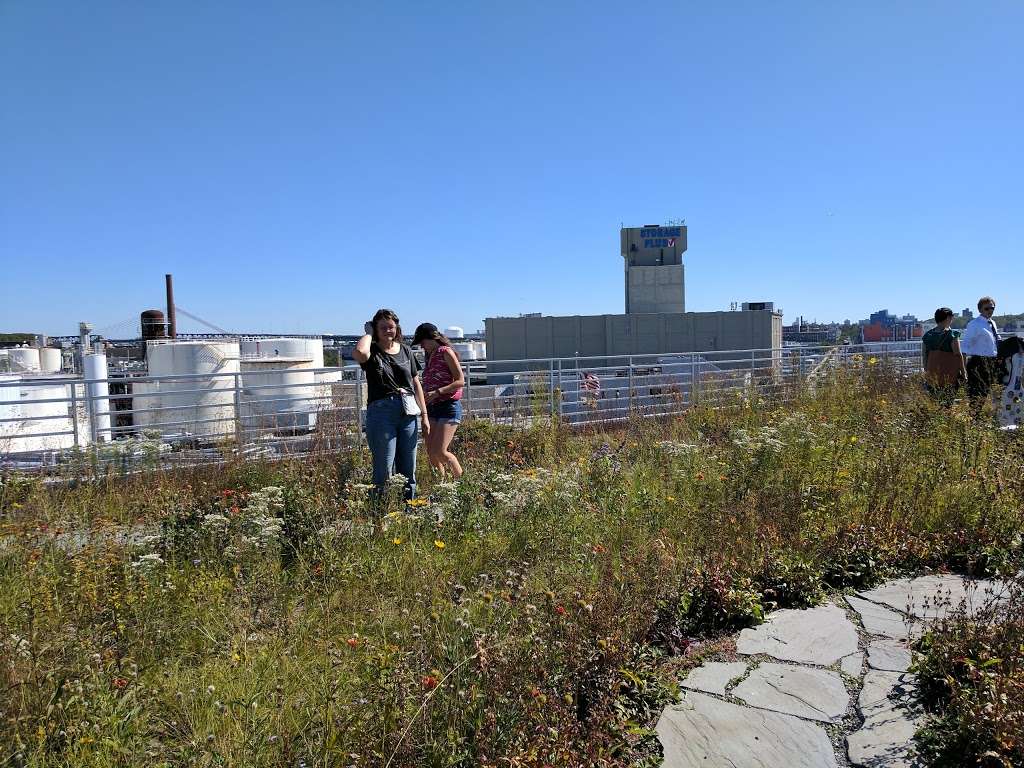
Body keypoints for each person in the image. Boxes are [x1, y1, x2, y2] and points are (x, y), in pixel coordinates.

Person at [352, 309, 429, 502]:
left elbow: (415, 382)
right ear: (375, 329)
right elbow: (360, 353)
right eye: (382, 327)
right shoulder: (372, 352)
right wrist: (368, 333)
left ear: (397, 328)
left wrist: (424, 415)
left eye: (391, 327)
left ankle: (409, 509)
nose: (388, 330)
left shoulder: (405, 350)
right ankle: (381, 513)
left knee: (408, 468)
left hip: (408, 412)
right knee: (384, 468)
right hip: (381, 412)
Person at [412, 323, 465, 479]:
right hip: (433, 407)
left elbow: (460, 380)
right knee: (431, 452)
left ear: (432, 338)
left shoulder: (445, 352)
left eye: (422, 342)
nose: (421, 346)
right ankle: (441, 485)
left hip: (448, 406)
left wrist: (437, 392)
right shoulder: (430, 355)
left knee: (439, 451)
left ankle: (461, 481)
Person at [961, 296, 1001, 409]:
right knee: (977, 397)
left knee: (993, 394)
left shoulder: (992, 323)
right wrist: (963, 369)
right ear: (980, 310)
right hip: (978, 363)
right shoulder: (974, 324)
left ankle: (986, 420)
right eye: (987, 308)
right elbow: (964, 347)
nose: (990, 311)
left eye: (992, 308)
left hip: (992, 362)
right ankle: (974, 422)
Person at [921, 307, 967, 400]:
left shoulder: (927, 335)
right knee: (947, 401)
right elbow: (958, 355)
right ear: (947, 318)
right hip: (949, 376)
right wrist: (964, 373)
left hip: (932, 376)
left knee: (934, 402)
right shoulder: (952, 335)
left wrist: (927, 372)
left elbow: (925, 356)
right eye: (951, 318)